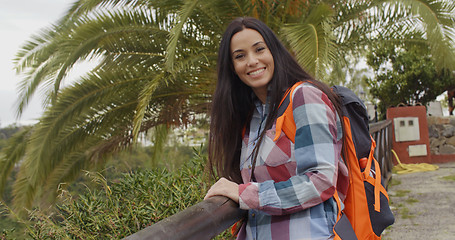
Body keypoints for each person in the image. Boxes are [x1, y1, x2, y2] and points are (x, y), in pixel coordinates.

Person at [204, 17, 349, 240]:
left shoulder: (304, 97)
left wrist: (244, 193)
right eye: (240, 56)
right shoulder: (250, 117)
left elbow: (320, 180)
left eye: (259, 49)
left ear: (274, 52)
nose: (252, 61)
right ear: (232, 68)